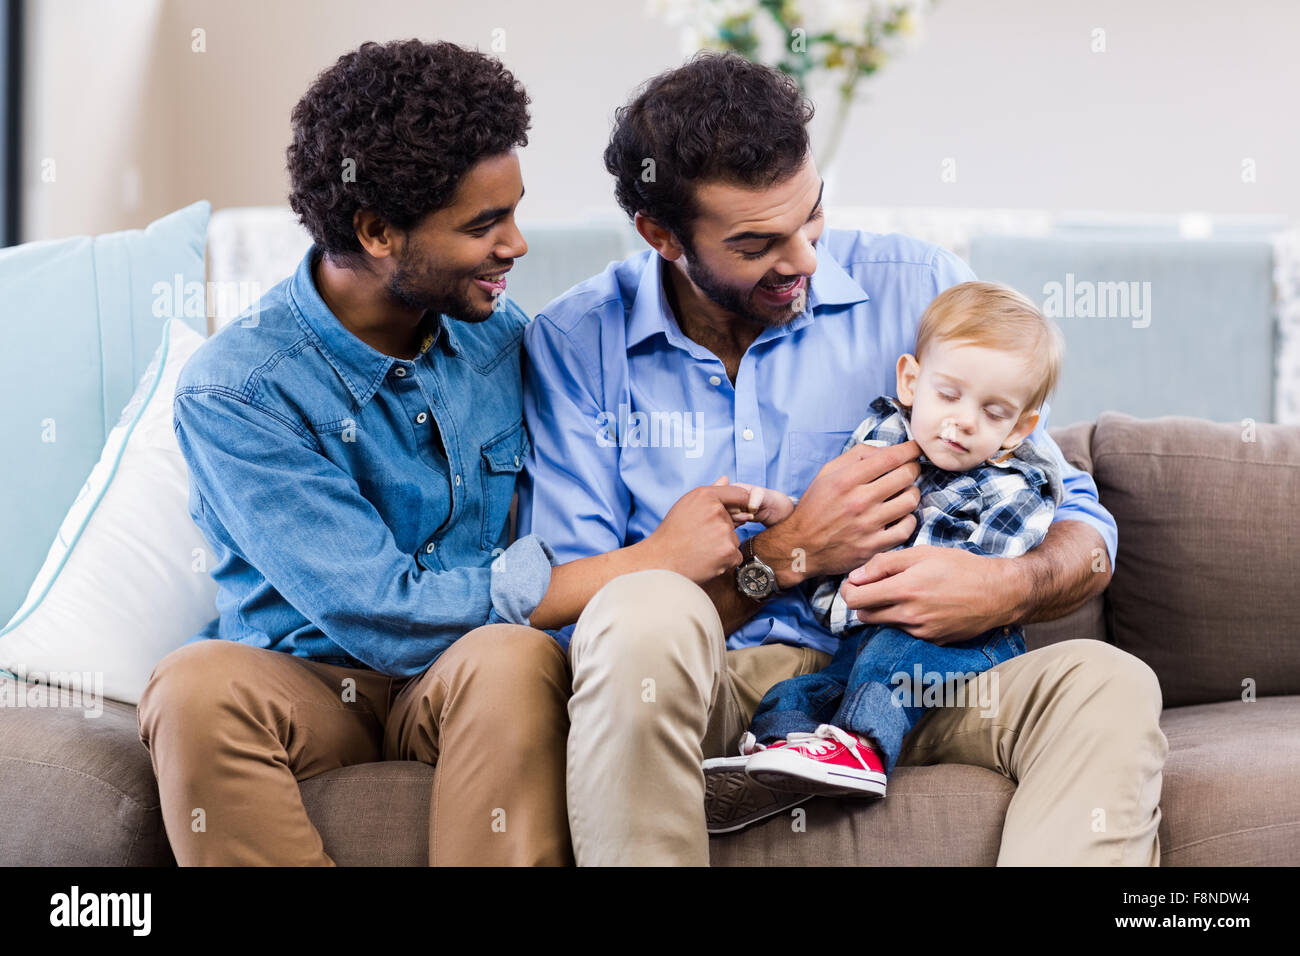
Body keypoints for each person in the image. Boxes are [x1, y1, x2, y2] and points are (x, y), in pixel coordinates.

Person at [519, 52, 1168, 866]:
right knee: (638, 609)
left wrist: (1005, 584)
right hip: (707, 685)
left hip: (921, 679)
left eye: (812, 216)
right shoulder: (578, 346)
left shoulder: (918, 288)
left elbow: (1077, 517)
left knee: (1107, 685)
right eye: (757, 242)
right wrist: (783, 559)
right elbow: (585, 631)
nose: (804, 261)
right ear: (661, 235)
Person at [136, 39, 747, 866]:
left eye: (514, 210)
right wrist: (653, 559)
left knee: (510, 655)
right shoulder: (238, 390)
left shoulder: (504, 344)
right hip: (312, 686)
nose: (517, 245)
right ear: (377, 230)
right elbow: (383, 612)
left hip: (468, 685)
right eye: (483, 224)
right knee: (193, 683)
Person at [708, 280, 1067, 804]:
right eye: (948, 395)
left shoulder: (1014, 485)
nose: (964, 421)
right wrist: (789, 519)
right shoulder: (883, 438)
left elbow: (972, 581)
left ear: (1019, 429)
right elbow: (834, 538)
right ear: (910, 382)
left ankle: (861, 749)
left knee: (888, 666)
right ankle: (777, 761)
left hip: (956, 639)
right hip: (863, 640)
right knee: (799, 692)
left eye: (993, 413)